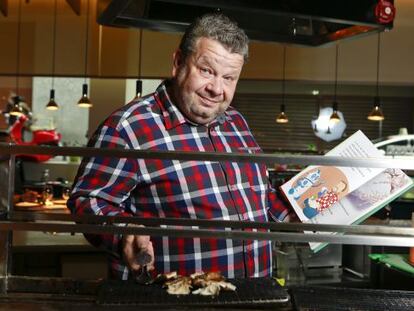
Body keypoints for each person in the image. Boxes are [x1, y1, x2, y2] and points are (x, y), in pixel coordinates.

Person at [67, 13, 290, 280]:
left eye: (229, 78)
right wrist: (123, 230)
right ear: (177, 63)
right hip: (172, 299)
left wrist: (301, 200)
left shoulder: (236, 122)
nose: (216, 89)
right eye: (206, 70)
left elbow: (259, 207)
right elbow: (89, 201)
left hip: (254, 297)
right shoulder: (128, 128)